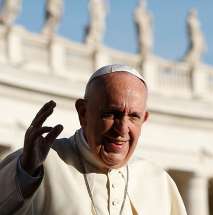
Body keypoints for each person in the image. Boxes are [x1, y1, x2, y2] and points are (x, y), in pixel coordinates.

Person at [0, 64, 187, 215]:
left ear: (144, 119)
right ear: (83, 113)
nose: (121, 129)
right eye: (111, 113)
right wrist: (24, 176)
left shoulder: (158, 181)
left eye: (134, 117)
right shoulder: (38, 165)